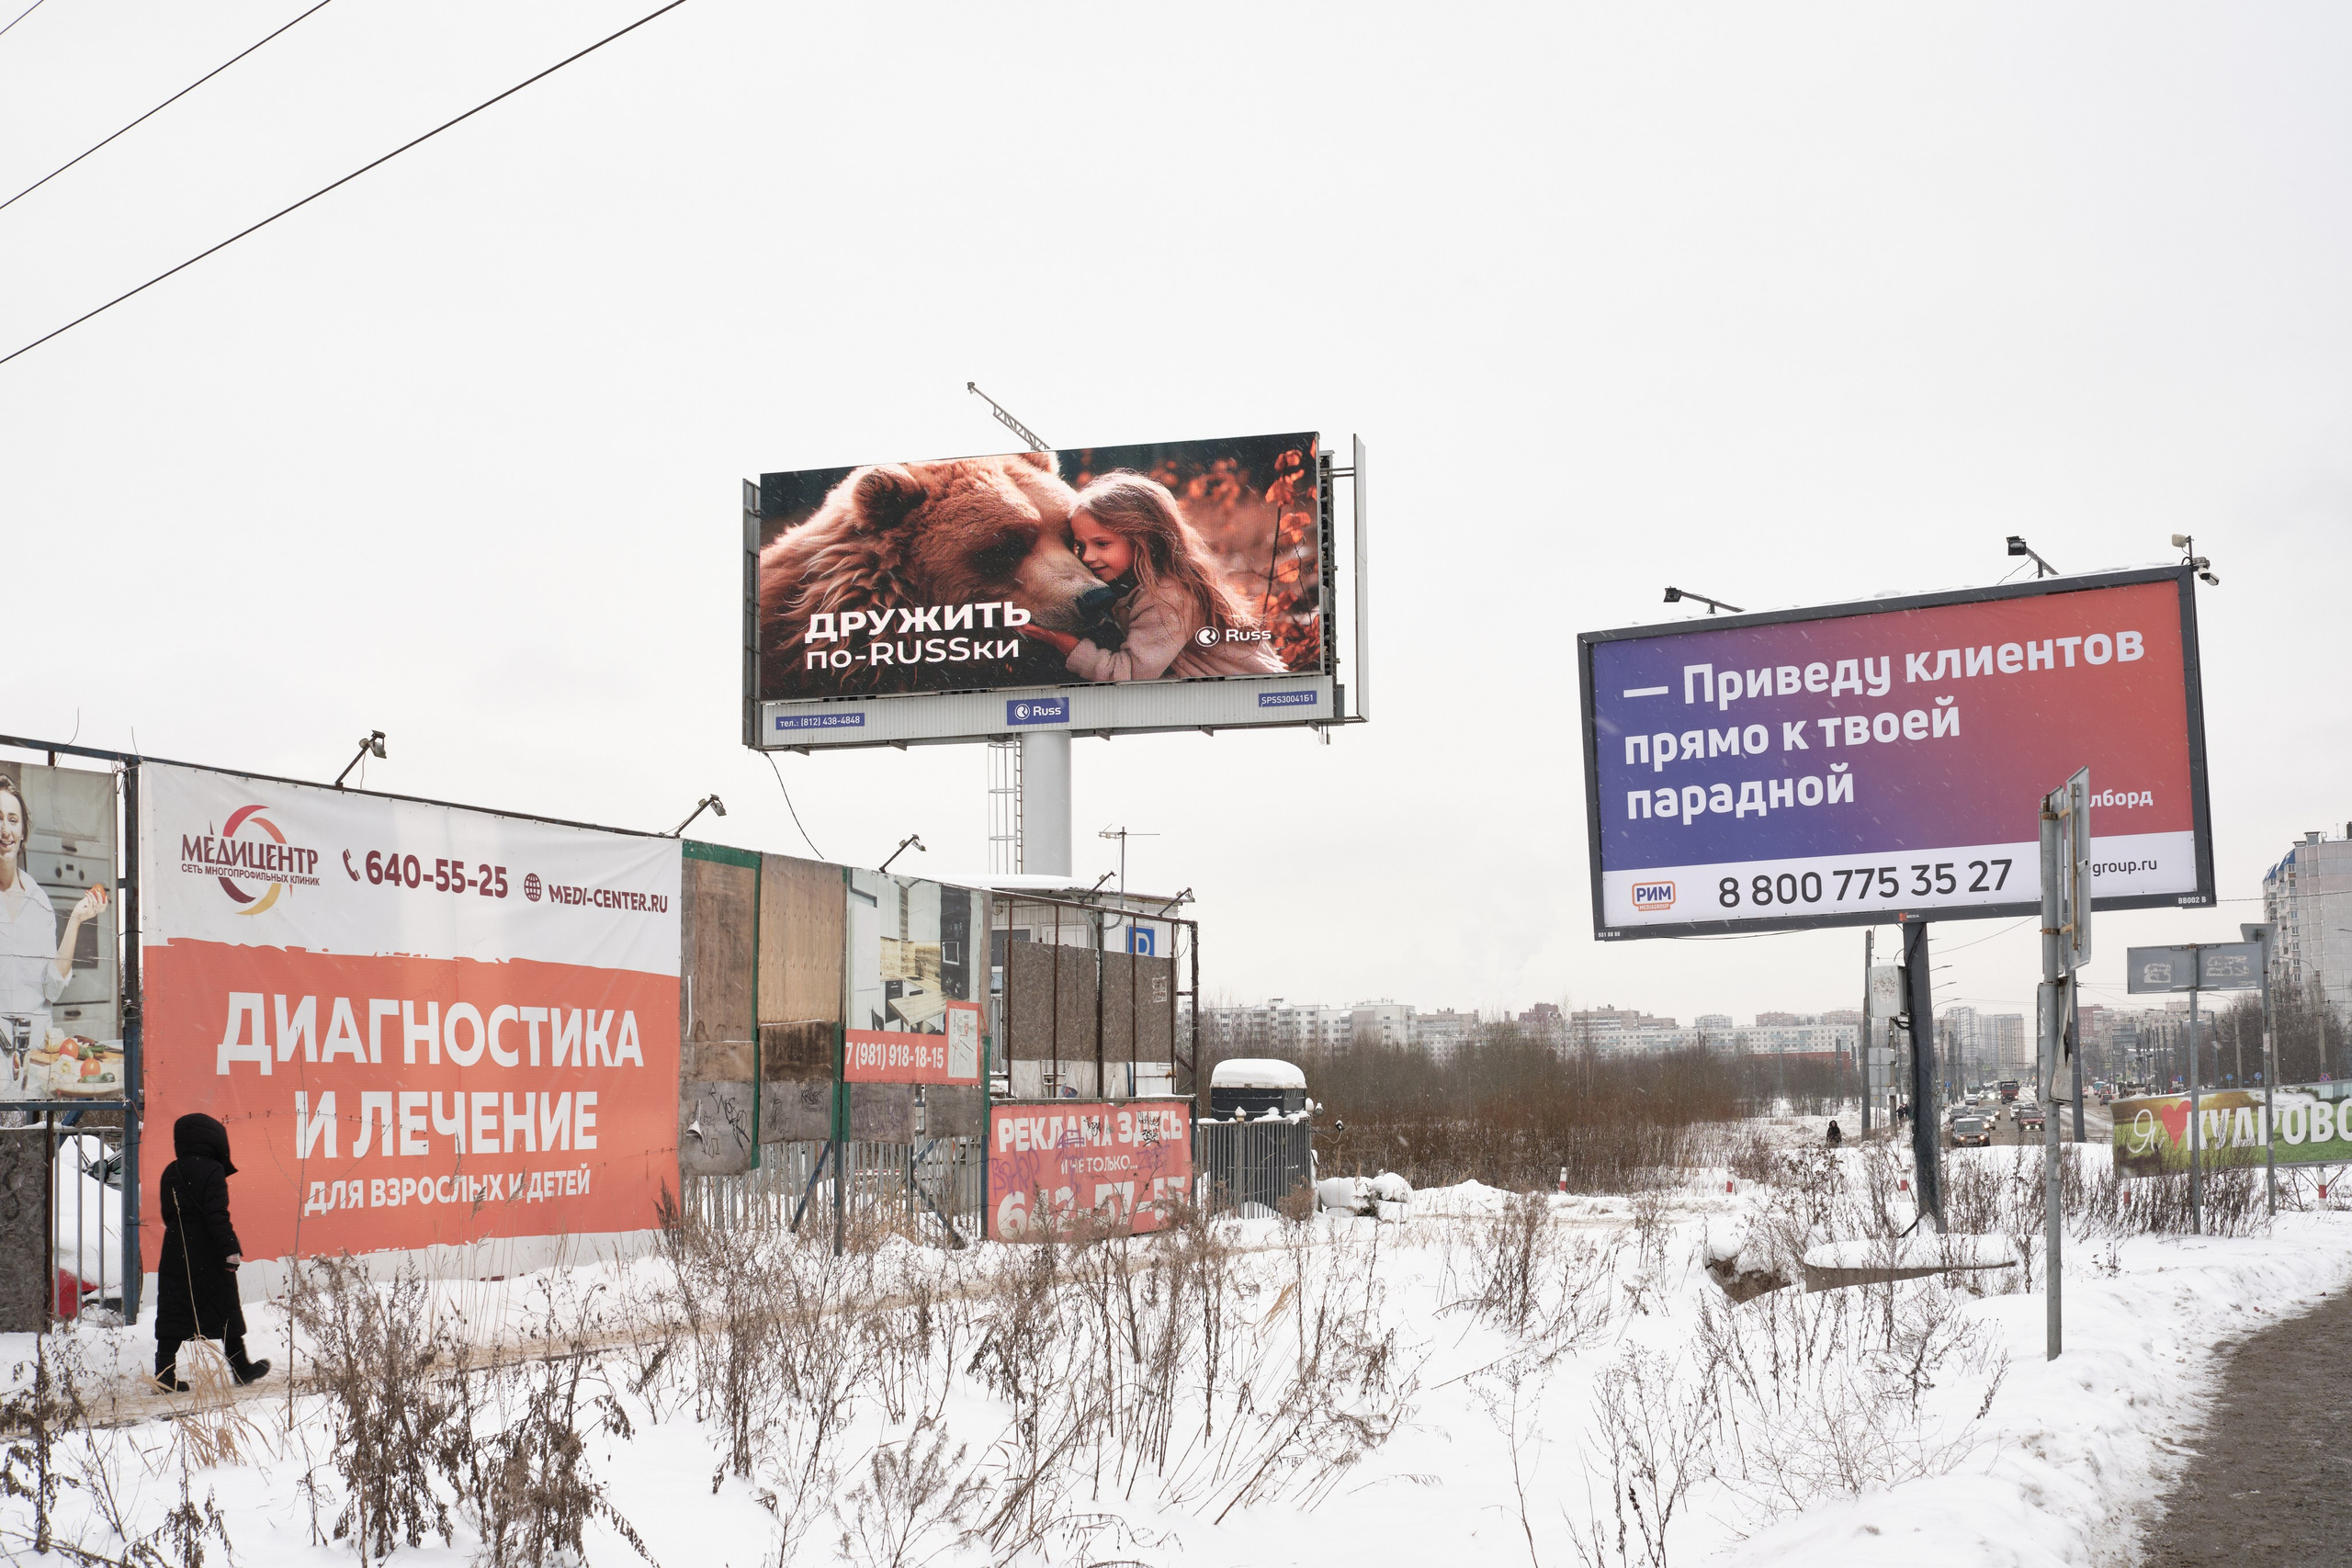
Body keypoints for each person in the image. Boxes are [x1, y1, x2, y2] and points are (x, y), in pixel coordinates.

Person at [1017, 472, 1286, 682]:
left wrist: (1066, 644)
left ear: (1144, 540)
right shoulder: (1137, 583)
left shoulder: (1166, 596)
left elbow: (1130, 677)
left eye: (1102, 544)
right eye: (1080, 546)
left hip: (1249, 697)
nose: (1087, 557)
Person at [0, 776, 105, 1083]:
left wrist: (76, 920)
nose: (5, 829)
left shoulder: (39, 902)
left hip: (33, 1060)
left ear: (23, 832)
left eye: (12, 820)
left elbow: (52, 988)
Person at [153, 1113, 269, 1392]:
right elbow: (217, 1214)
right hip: (208, 1249)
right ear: (212, 1139)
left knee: (173, 1309)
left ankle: (164, 1375)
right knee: (225, 1307)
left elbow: (168, 1214)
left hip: (176, 1247)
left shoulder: (171, 1169)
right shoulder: (213, 1169)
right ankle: (240, 1367)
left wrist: (182, 1232)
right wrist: (230, 1249)